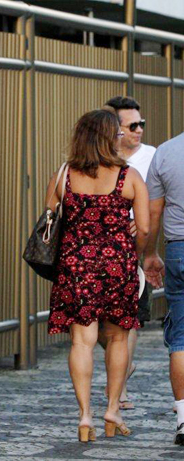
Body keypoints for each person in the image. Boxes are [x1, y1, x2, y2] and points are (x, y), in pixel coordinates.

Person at [46, 109, 149, 442]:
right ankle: (112, 408)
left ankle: (85, 416)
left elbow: (49, 216)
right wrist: (134, 247)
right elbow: (144, 228)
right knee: (118, 338)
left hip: (76, 265)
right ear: (111, 137)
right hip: (118, 264)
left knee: (81, 342)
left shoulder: (65, 174)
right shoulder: (129, 176)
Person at [97, 96, 155, 410]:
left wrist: (144, 233)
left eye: (141, 124)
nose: (138, 131)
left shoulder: (152, 157)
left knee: (128, 321)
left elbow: (159, 202)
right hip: (97, 254)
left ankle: (119, 390)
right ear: (114, 129)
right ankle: (122, 366)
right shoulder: (96, 159)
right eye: (132, 126)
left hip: (133, 250)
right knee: (99, 328)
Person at [143, 130, 184, 445]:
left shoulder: (166, 152)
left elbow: (153, 213)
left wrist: (150, 253)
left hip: (178, 251)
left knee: (181, 337)